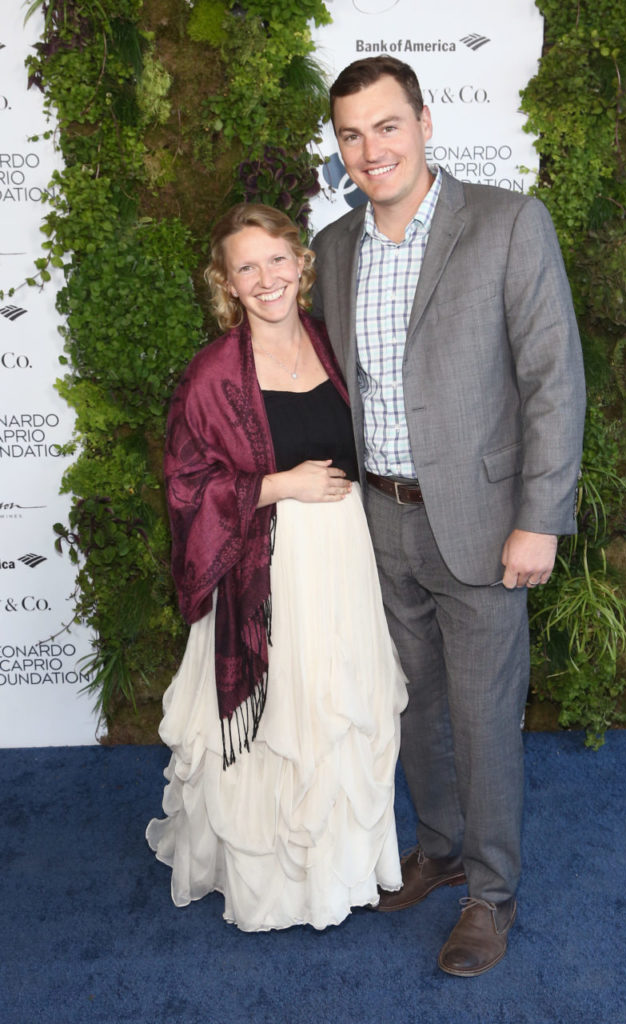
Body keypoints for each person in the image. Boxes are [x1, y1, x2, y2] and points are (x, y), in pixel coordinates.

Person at [311, 56, 586, 975]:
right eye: (352, 134)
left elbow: (553, 380)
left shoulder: (508, 224)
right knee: (415, 704)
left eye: (386, 126)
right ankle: (438, 847)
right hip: (378, 521)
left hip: (481, 521)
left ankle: (491, 894)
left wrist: (539, 516)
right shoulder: (335, 246)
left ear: (425, 123)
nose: (370, 149)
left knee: (482, 713)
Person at [146, 203, 407, 931]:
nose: (266, 278)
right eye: (246, 267)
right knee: (278, 722)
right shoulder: (211, 377)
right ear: (226, 284)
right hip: (264, 569)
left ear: (302, 264)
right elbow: (185, 487)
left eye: (277, 260)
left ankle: (341, 871)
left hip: (344, 560)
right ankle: (272, 887)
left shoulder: (332, 346)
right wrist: (278, 485)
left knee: (339, 709)